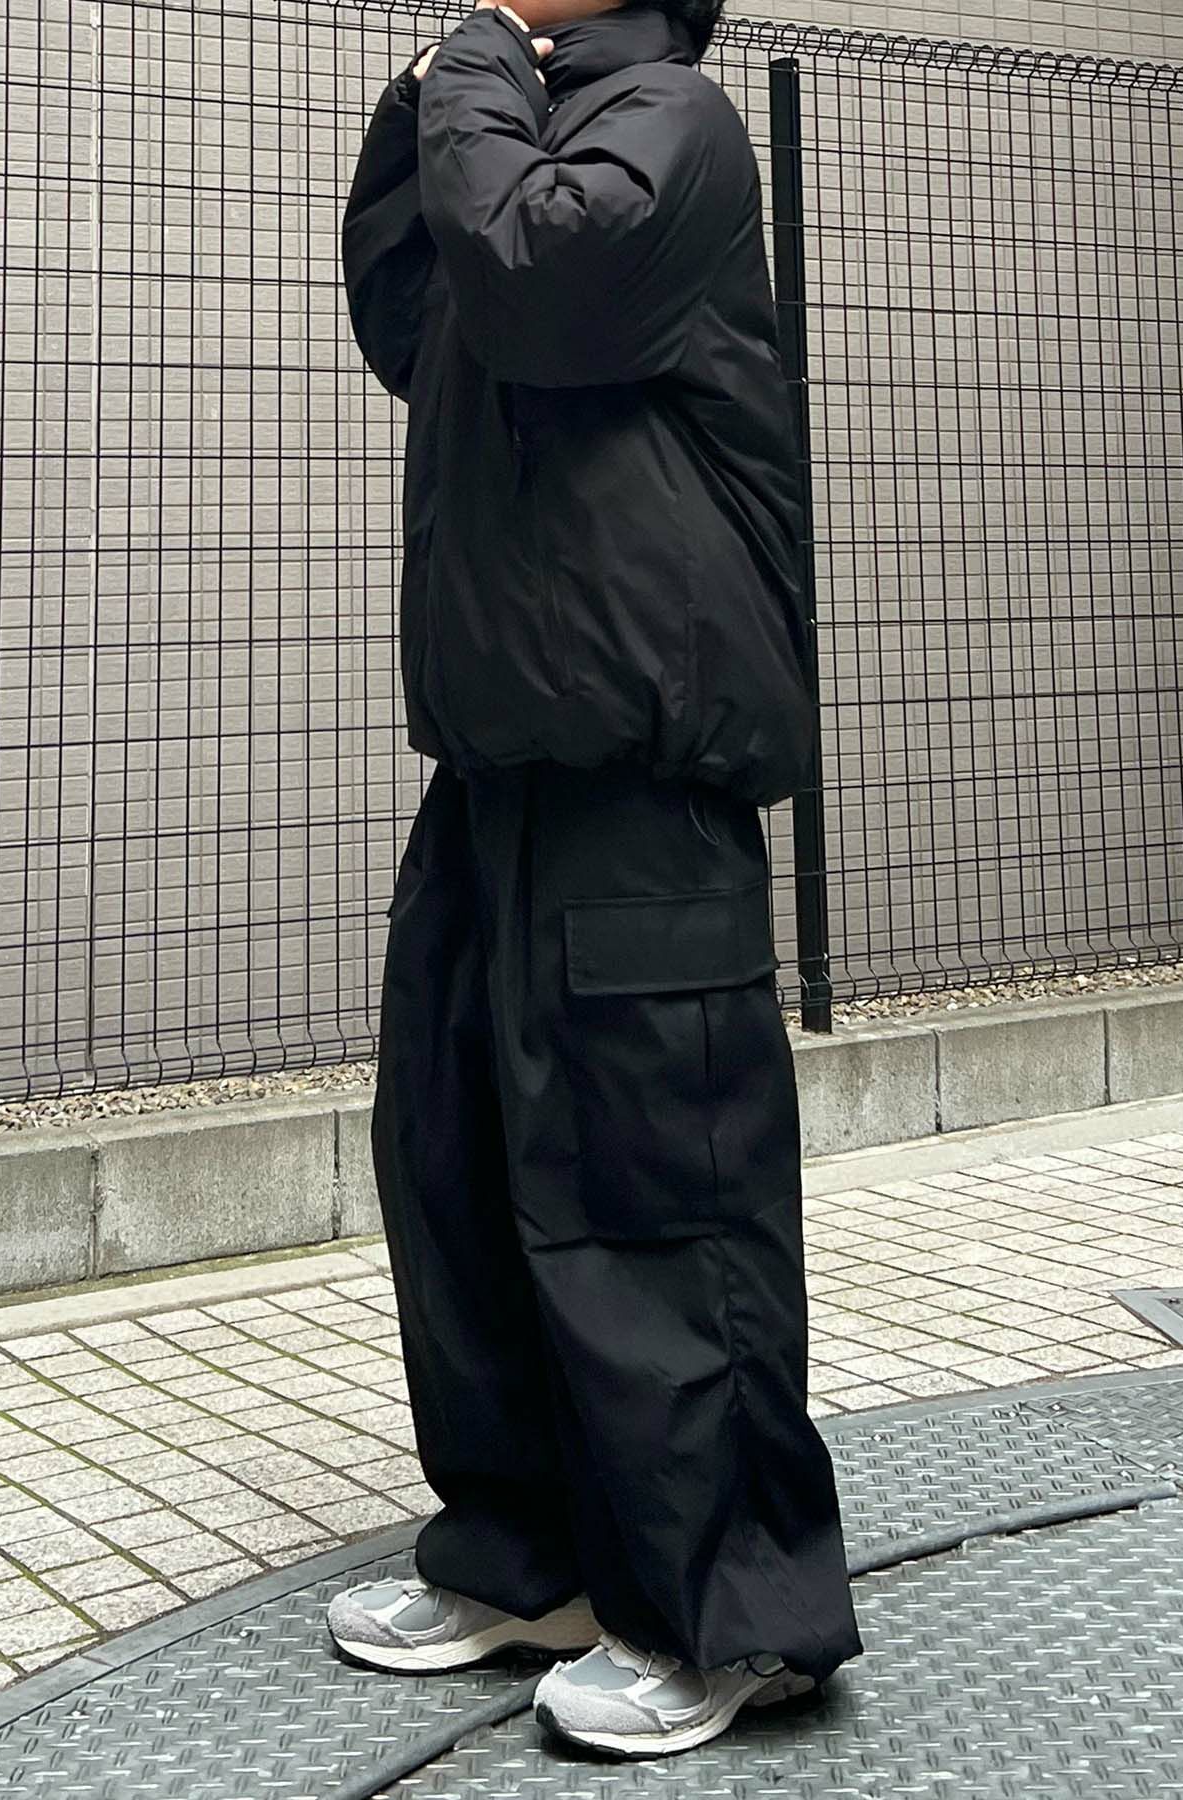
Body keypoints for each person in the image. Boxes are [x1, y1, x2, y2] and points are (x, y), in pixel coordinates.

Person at [330, 0, 863, 1759]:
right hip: (501, 772)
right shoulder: (536, 131)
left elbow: (540, 283)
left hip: (641, 775)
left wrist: (476, 58)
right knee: (464, 1173)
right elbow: (418, 313)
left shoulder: (675, 124)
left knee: (659, 1195)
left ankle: (732, 1617)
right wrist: (424, 107)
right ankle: (532, 1561)